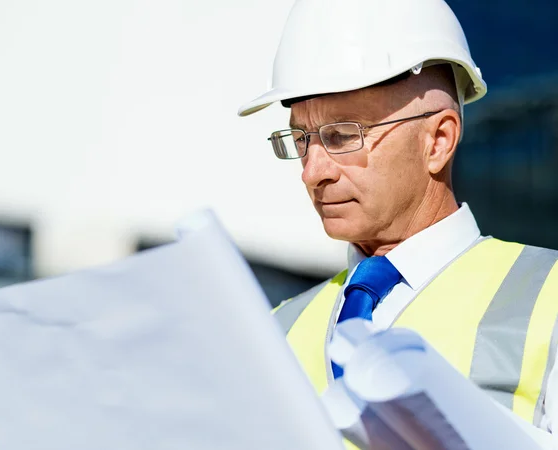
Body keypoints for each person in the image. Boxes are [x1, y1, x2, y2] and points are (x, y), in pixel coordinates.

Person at [238, 0, 558, 447]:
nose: (312, 172)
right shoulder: (272, 332)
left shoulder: (550, 299)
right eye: (300, 139)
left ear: (439, 140)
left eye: (343, 136)